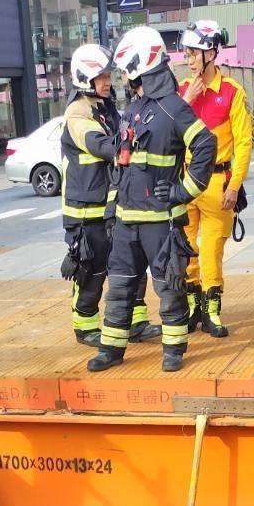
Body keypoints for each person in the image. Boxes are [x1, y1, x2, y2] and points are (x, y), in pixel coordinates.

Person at [88, 26, 216, 374]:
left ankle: (173, 349)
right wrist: (114, 209)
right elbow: (123, 162)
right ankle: (111, 349)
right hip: (129, 221)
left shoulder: (174, 107)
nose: (124, 74)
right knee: (119, 288)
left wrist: (183, 192)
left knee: (169, 287)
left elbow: (206, 146)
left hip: (161, 221)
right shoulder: (134, 108)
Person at [59, 43, 158, 347]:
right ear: (84, 79)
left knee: (131, 262)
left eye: (108, 75)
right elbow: (101, 145)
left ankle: (136, 321)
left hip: (113, 206)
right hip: (86, 212)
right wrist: (126, 141)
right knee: (92, 270)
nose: (107, 81)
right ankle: (86, 325)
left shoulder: (108, 109)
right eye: (100, 76)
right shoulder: (77, 114)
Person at [178, 19, 252, 337]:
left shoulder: (232, 92)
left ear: (210, 53)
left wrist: (234, 186)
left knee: (211, 250)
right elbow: (168, 134)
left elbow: (245, 143)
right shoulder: (182, 91)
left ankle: (212, 310)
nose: (188, 59)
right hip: (185, 183)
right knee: (184, 247)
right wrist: (186, 102)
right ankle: (193, 306)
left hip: (218, 182)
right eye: (186, 53)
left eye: (193, 53)